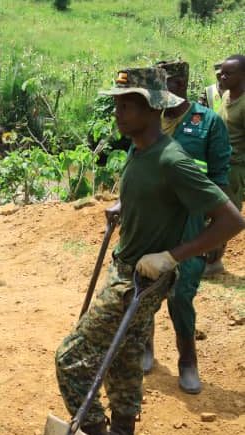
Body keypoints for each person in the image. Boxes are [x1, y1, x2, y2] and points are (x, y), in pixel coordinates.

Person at [54, 67, 245, 435]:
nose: (118, 113)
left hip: (138, 281)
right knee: (125, 358)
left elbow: (231, 221)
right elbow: (150, 193)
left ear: (153, 108)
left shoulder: (172, 160)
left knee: (70, 359)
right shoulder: (138, 149)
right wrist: (123, 207)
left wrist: (172, 257)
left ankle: (93, 429)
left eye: (127, 106)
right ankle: (122, 428)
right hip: (125, 266)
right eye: (117, 105)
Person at [140, 60, 231, 394]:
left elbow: (219, 177)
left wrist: (212, 228)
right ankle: (145, 347)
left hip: (189, 224)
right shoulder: (148, 120)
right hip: (150, 221)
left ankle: (188, 361)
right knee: (143, 288)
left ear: (177, 85)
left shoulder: (207, 122)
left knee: (181, 295)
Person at [207, 54, 245, 277]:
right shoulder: (228, 95)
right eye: (221, 73)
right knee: (211, 212)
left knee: (224, 215)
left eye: (228, 73)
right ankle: (208, 258)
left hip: (234, 168)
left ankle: (214, 262)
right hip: (218, 165)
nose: (222, 77)